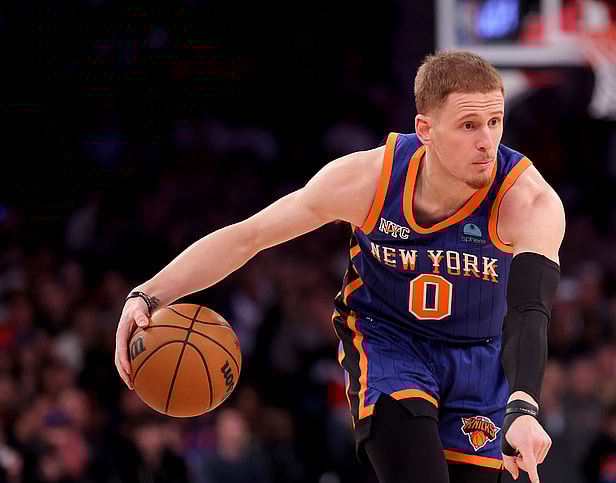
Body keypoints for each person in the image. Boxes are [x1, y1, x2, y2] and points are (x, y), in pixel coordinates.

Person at [114, 50, 564, 483]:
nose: (487, 141)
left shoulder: (528, 200)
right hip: (390, 342)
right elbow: (250, 236)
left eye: (495, 121)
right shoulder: (369, 179)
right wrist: (148, 294)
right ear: (424, 129)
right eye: (468, 125)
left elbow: (530, 308)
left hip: (480, 355)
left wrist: (524, 405)